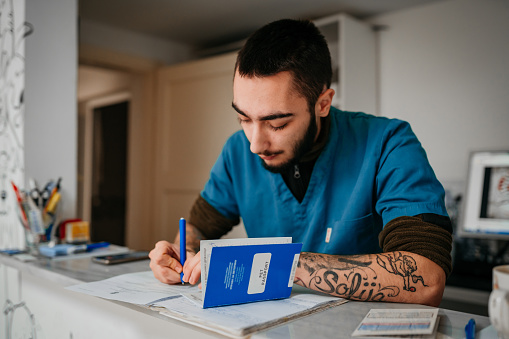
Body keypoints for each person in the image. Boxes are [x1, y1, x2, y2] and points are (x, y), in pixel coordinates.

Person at [149, 18, 452, 307]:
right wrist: (182, 250)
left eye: (277, 124)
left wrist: (276, 261)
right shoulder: (236, 151)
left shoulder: (389, 142)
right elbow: (198, 226)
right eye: (243, 118)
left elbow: (426, 279)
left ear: (323, 103)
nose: (255, 144)